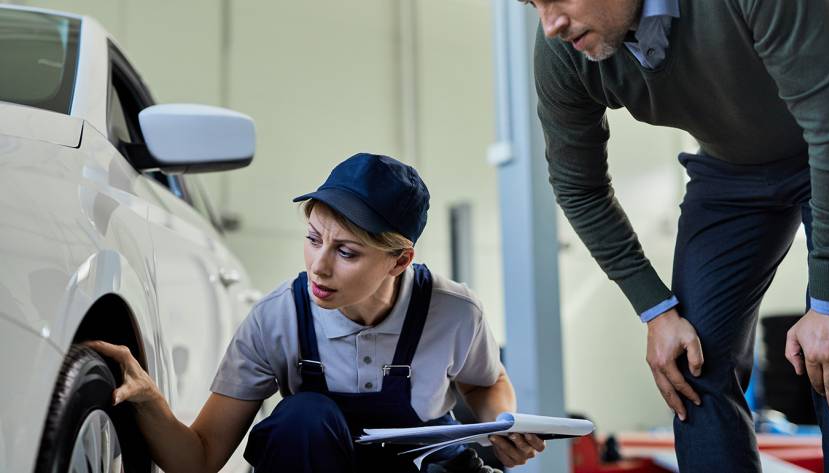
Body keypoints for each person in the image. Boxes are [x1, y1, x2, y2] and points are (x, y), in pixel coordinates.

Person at [520, 0, 829, 470]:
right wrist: (656, 309)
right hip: (729, 172)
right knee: (691, 362)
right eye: (534, 4)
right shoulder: (563, 51)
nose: (550, 25)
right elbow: (577, 185)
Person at [88, 152, 545, 473]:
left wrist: (503, 426)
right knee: (301, 419)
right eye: (313, 239)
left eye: (346, 252)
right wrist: (150, 399)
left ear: (400, 260)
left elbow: (487, 382)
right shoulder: (276, 320)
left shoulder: (453, 312)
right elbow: (200, 458)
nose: (319, 266)